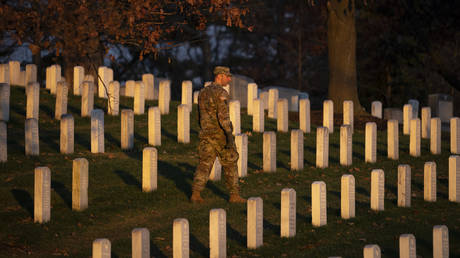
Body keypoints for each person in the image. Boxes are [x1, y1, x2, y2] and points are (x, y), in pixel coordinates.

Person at [190, 66, 246, 203]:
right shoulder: (221, 93)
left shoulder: (202, 92)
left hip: (206, 133)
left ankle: (196, 193)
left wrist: (203, 128)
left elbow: (199, 115)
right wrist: (229, 135)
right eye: (228, 76)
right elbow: (223, 116)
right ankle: (234, 195)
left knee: (204, 164)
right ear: (220, 76)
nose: (230, 79)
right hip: (219, 135)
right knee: (230, 163)